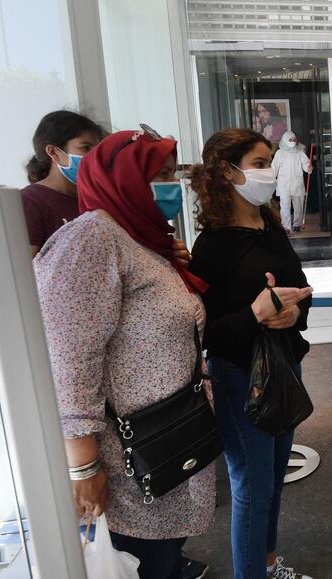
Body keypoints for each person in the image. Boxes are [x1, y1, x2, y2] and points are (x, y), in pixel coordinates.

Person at [34, 126, 216, 579]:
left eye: (173, 174)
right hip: (129, 462)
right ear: (123, 180)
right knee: (145, 563)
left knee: (164, 561)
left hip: (169, 440)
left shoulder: (140, 238)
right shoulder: (90, 240)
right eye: (158, 175)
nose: (170, 186)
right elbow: (69, 359)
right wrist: (84, 465)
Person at [188, 128, 314, 579]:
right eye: (260, 162)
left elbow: (301, 289)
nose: (268, 171)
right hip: (239, 375)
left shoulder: (270, 224)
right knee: (252, 486)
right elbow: (204, 331)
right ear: (228, 172)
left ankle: (265, 563)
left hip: (283, 366)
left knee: (273, 479)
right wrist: (255, 315)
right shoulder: (212, 246)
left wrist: (291, 313)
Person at [22, 110, 104, 256]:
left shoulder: (96, 198)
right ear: (54, 152)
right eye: (85, 148)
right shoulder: (30, 200)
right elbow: (24, 268)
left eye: (98, 150)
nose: (94, 157)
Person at [272, 131, 312, 234]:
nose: (292, 142)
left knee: (298, 206)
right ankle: (286, 227)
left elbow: (306, 165)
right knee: (285, 207)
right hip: (283, 185)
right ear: (285, 140)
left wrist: (309, 168)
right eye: (290, 140)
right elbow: (273, 169)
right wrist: (271, 180)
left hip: (297, 184)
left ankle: (297, 224)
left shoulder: (299, 153)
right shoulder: (279, 153)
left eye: (294, 140)